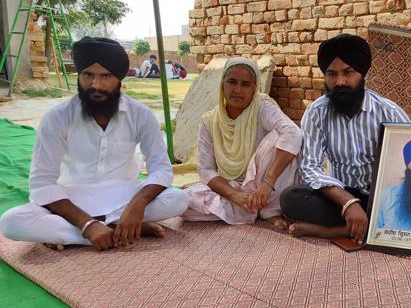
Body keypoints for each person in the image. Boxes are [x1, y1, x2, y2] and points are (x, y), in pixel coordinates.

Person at [280, 34, 411, 243]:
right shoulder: (316, 112)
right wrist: (348, 202)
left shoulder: (389, 112)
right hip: (340, 196)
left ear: (362, 74)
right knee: (291, 198)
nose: (340, 82)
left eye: (348, 72)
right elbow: (310, 167)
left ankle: (336, 231)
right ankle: (367, 226)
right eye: (332, 74)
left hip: (382, 198)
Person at [0, 37, 188, 251]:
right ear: (79, 76)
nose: (96, 85)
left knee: (178, 199)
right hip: (71, 199)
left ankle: (79, 232)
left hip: (124, 196)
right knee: (11, 222)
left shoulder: (140, 115)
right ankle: (110, 230)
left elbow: (162, 168)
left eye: (106, 76)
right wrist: (87, 224)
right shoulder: (58, 117)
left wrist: (137, 205)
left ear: (119, 79)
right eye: (88, 75)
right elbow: (42, 183)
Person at [182, 57, 302, 228]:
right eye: (232, 82)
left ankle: (269, 211)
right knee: (184, 202)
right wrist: (234, 195)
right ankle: (250, 207)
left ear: (254, 88)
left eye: (245, 84)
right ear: (222, 84)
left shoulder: (262, 107)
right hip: (233, 187)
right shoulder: (209, 121)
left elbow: (293, 133)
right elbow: (206, 169)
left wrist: (267, 184)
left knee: (279, 137)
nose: (237, 90)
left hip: (265, 184)